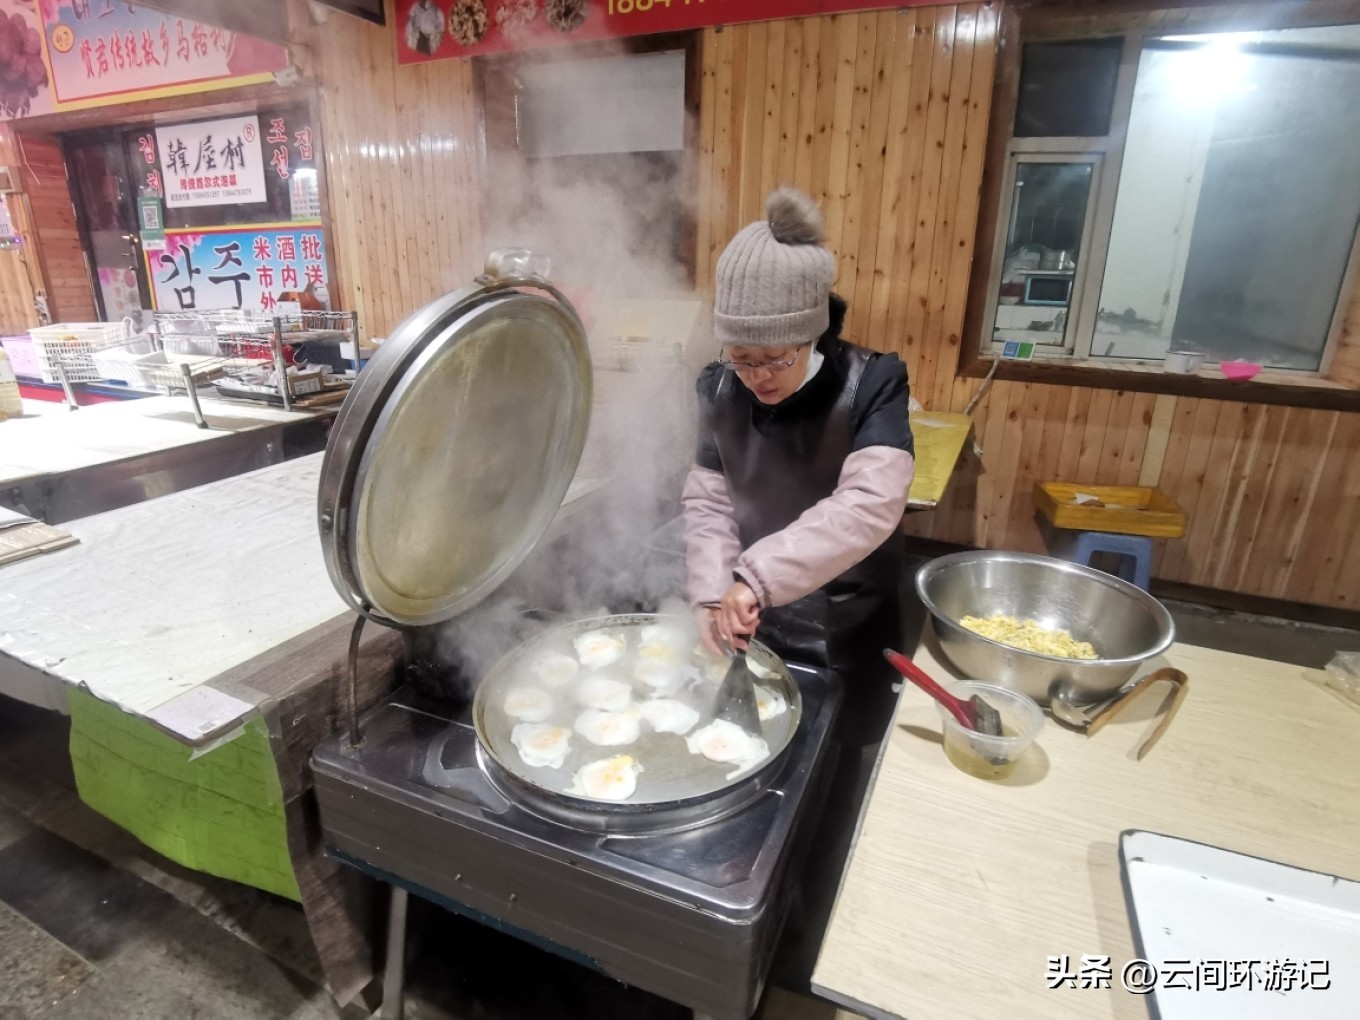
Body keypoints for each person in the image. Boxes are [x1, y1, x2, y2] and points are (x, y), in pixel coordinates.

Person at [683, 186, 915, 748]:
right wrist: (715, 591)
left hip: (847, 621)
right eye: (742, 358)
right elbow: (709, 501)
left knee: (839, 757)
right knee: (750, 745)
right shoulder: (718, 388)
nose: (757, 376)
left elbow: (870, 504)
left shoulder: (874, 382)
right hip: (752, 612)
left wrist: (756, 576)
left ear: (813, 331)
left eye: (776, 357)